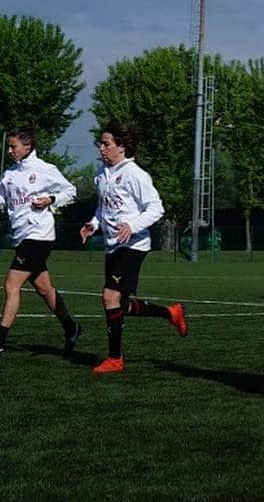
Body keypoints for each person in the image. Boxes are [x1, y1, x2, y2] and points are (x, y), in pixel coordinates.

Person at [79, 123, 187, 374]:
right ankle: (171, 313)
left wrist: (132, 225)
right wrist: (93, 224)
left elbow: (156, 208)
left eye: (106, 143)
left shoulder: (135, 174)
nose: (102, 148)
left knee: (109, 296)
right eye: (101, 143)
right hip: (113, 245)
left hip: (134, 245)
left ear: (122, 147)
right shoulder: (101, 173)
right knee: (119, 303)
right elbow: (103, 208)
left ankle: (115, 358)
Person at [0, 126, 81, 358]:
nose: (9, 150)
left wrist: (50, 199)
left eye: (13, 146)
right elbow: (2, 206)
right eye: (8, 146)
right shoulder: (9, 174)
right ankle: (72, 327)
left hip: (38, 236)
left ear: (28, 146)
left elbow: (71, 191)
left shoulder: (45, 169)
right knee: (44, 289)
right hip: (21, 237)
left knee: (11, 285)